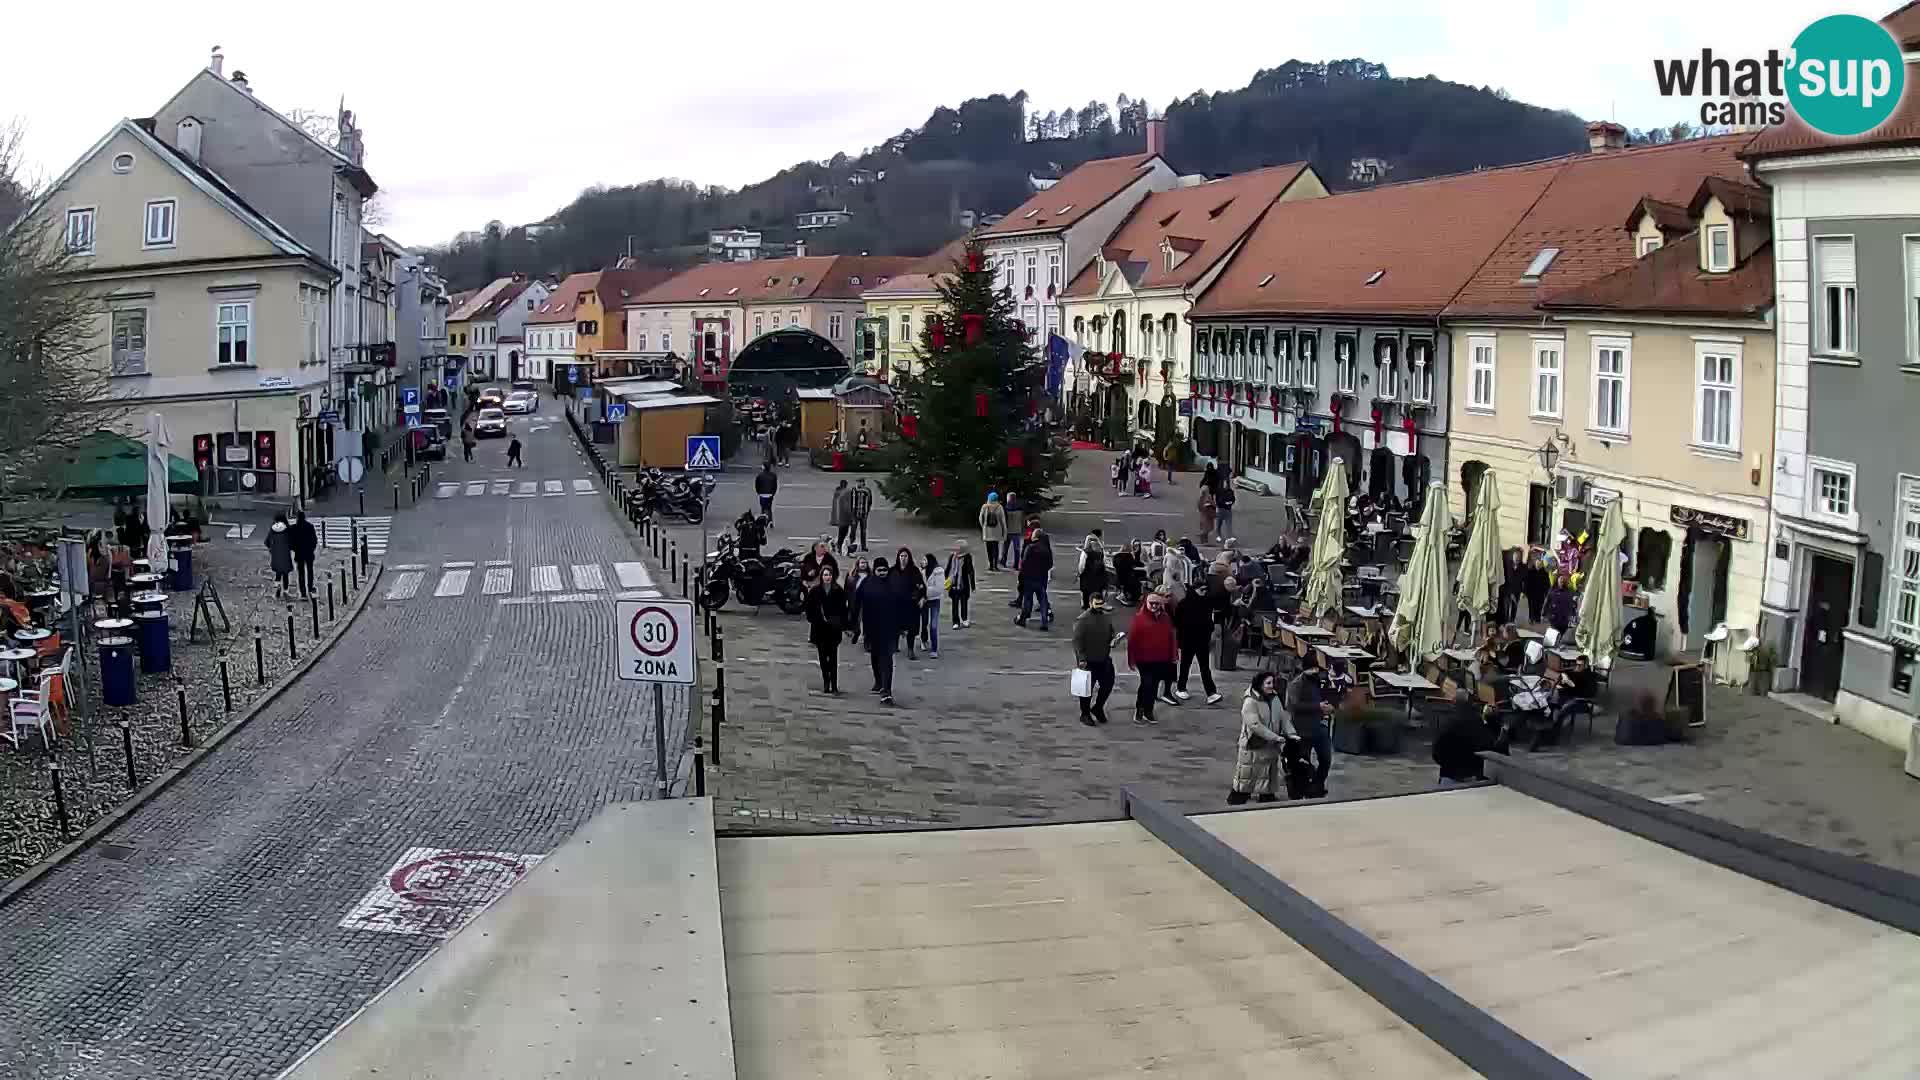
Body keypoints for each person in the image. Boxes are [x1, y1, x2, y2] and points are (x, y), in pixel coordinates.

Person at [1230, 672, 1295, 804]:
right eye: (1268, 683)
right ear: (1260, 684)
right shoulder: (1250, 701)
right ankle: (1238, 797)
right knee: (1247, 774)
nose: (1271, 686)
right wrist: (1275, 737)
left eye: (1272, 683)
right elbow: (1254, 725)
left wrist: (1291, 733)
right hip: (1253, 744)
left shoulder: (1274, 698)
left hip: (1269, 745)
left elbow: (1283, 717)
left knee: (1267, 773)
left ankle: (1266, 796)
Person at [1125, 590, 1180, 724]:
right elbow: (1132, 641)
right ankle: (1140, 709)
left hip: (1161, 659)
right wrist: (1131, 660)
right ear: (1146, 603)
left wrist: (1173, 655)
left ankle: (1148, 711)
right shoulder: (1139, 619)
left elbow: (1171, 638)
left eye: (1157, 603)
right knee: (1146, 684)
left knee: (1153, 686)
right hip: (1144, 660)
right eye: (1152, 603)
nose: (1155, 606)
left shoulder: (1165, 618)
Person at [1433, 689, 1504, 784]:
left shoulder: (1447, 722)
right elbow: (1488, 745)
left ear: (1453, 701)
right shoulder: (1478, 721)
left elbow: (1437, 750)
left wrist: (1446, 764)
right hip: (1473, 773)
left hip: (1450, 773)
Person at [1286, 665, 1335, 798]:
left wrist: (1330, 704)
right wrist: (1318, 706)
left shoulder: (1321, 681)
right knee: (1302, 762)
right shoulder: (1296, 684)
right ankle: (1299, 790)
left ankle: (1316, 787)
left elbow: (1326, 695)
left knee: (1326, 759)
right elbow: (1294, 706)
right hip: (1303, 729)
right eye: (1313, 668)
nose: (1317, 671)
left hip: (1320, 726)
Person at [859, 560, 903, 703]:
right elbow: (856, 603)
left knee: (887, 660)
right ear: (875, 570)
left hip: (890, 630)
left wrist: (904, 626)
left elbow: (903, 604)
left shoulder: (894, 585)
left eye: (885, 570)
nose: (882, 573)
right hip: (872, 628)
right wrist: (852, 625)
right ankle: (879, 682)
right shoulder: (867, 584)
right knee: (875, 656)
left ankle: (887, 690)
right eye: (879, 570)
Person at [1173, 580, 1223, 704]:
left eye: (1206, 589)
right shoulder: (1184, 604)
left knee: (1204, 668)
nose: (1205, 592)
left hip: (1200, 640)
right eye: (1202, 589)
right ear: (1195, 589)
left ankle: (1211, 692)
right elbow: (1178, 623)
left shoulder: (1203, 602)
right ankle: (1182, 688)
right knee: (1186, 666)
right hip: (1189, 640)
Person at [1072, 595, 1118, 726]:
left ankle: (1098, 707)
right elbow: (1077, 641)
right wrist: (1081, 659)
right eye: (1096, 604)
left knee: (1108, 685)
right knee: (1086, 690)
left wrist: (1114, 639)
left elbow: (1111, 632)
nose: (1099, 607)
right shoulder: (1082, 620)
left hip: (1104, 659)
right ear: (1090, 603)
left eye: (1101, 604)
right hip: (1089, 661)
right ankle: (1085, 714)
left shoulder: (1105, 618)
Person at [804, 571, 849, 693]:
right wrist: (814, 619)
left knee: (833, 658)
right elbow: (808, 607)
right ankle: (826, 682)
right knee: (823, 659)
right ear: (821, 577)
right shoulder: (815, 591)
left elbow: (843, 609)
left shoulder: (838, 591)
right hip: (820, 629)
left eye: (829, 575)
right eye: (825, 575)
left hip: (833, 629)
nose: (827, 577)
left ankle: (834, 684)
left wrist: (843, 625)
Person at [1015, 527, 1053, 630]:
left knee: (1028, 600)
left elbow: (1024, 563)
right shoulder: (1046, 549)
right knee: (1043, 600)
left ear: (1035, 537)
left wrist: (1021, 577)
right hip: (1041, 578)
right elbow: (1050, 564)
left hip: (1030, 578)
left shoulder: (1030, 548)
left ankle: (1023, 619)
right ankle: (1044, 621)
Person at [891, 547, 925, 661]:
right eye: (901, 556)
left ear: (909, 557)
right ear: (898, 557)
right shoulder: (893, 570)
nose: (903, 558)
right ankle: (894, 646)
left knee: (911, 628)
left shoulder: (914, 570)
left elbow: (921, 586)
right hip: (896, 604)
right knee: (894, 625)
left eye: (905, 556)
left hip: (910, 604)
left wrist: (921, 598)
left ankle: (910, 649)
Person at [944, 543, 975, 628]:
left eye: (958, 549)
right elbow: (948, 568)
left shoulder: (967, 558)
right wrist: (945, 579)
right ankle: (955, 621)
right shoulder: (952, 557)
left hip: (963, 584)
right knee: (955, 604)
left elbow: (970, 571)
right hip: (954, 585)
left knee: (964, 603)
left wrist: (973, 585)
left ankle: (964, 619)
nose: (956, 551)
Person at [290, 511, 319, 598]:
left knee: (301, 573)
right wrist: (311, 549)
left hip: (299, 554)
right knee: (310, 571)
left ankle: (303, 592)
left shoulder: (294, 528)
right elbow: (314, 540)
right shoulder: (309, 527)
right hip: (309, 553)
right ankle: (310, 587)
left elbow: (291, 543)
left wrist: (295, 549)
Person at [264, 512, 294, 597]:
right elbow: (292, 543)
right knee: (285, 574)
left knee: (278, 572)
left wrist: (272, 548)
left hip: (276, 555)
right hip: (285, 555)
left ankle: (278, 586)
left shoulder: (272, 530)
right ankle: (286, 591)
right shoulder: (288, 529)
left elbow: (266, 542)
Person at [1076, 534, 1109, 610]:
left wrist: (1081, 573)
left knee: (1087, 597)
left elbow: (1081, 566)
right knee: (1097, 597)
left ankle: (1087, 607)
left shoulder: (1085, 552)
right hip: (1099, 579)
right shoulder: (1101, 551)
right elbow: (1105, 564)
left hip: (1087, 578)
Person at [921, 554, 945, 657]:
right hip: (925, 601)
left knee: (933, 625)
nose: (923, 561)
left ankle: (934, 649)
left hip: (934, 600)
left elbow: (939, 589)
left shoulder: (938, 572)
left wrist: (925, 591)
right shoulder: (922, 571)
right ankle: (924, 640)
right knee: (924, 622)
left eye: (925, 560)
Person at [977, 492, 1007, 571]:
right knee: (996, 549)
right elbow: (1003, 520)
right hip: (997, 531)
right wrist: (1004, 531)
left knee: (989, 549)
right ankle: (995, 566)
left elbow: (980, 518)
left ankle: (990, 565)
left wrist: (983, 526)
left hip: (987, 532)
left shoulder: (984, 507)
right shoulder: (999, 507)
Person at [846, 559, 870, 645]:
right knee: (856, 619)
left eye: (865, 562)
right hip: (855, 601)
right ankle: (857, 632)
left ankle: (865, 639)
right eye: (862, 563)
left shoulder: (870, 576)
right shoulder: (851, 576)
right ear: (858, 564)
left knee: (865, 620)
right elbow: (847, 589)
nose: (863, 564)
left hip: (867, 602)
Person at [1002, 491, 1025, 570]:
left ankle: (1003, 562)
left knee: (1005, 548)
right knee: (1016, 549)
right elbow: (1022, 519)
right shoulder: (1020, 508)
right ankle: (1016, 564)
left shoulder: (1005, 508)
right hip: (1016, 531)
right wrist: (1022, 528)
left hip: (1008, 531)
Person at [850, 478, 874, 552]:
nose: (858, 484)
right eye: (857, 482)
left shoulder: (867, 491)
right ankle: (852, 545)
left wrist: (867, 511)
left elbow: (870, 501)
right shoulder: (853, 490)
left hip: (864, 514)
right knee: (853, 530)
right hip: (855, 514)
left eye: (860, 482)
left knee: (863, 531)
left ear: (863, 483)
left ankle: (863, 546)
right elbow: (850, 501)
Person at [830, 480, 852, 553]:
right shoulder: (847, 492)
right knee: (844, 531)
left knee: (841, 531)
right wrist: (851, 514)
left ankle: (837, 543)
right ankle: (838, 544)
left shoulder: (837, 492)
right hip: (845, 516)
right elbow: (847, 505)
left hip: (838, 516)